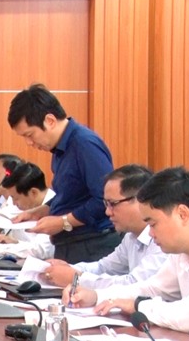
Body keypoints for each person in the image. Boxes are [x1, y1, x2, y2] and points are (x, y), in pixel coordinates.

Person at [65, 167, 189, 339]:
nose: (150, 233)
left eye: (153, 224)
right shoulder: (181, 253)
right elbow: (152, 288)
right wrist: (96, 296)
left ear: (182, 214)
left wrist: (139, 306)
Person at [8, 83, 120, 263]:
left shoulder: (84, 144)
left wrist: (63, 222)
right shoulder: (60, 149)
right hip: (72, 244)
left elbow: (104, 200)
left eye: (29, 135)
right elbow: (70, 195)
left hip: (92, 244)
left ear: (50, 121)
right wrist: (40, 211)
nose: (29, 143)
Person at [44, 164, 166, 289]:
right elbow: (103, 267)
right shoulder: (131, 236)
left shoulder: (163, 237)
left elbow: (135, 284)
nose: (107, 212)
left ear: (140, 200)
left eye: (113, 204)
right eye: (106, 204)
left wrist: (77, 279)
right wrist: (67, 268)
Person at [0, 162, 55, 259]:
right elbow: (34, 245)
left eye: (15, 198)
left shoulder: (55, 208)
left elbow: (41, 250)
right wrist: (15, 243)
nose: (13, 203)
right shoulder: (32, 204)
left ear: (33, 192)